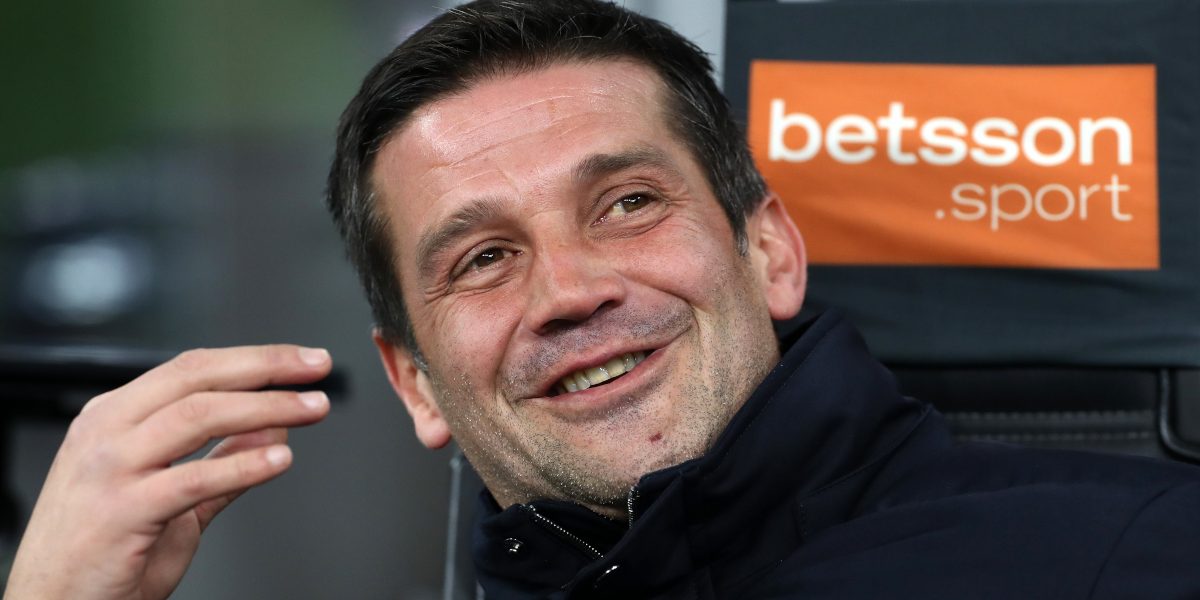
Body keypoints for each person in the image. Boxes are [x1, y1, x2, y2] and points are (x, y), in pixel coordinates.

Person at [6, 1, 1200, 598]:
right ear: (417, 383)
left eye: (627, 204)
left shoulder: (1139, 557)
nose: (571, 291)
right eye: (483, 258)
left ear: (770, 253)